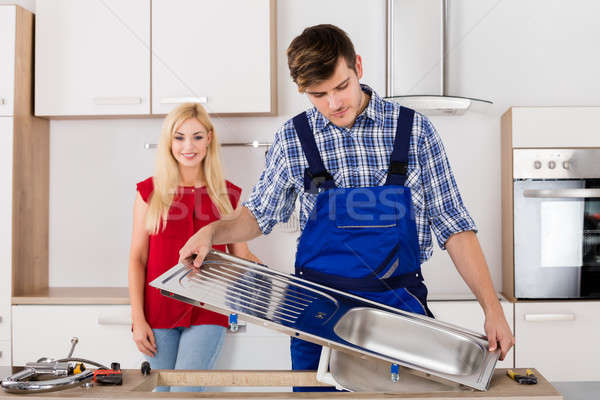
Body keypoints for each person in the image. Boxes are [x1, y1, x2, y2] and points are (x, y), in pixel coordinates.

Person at [178, 24, 514, 391]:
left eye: (341, 87)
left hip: (399, 315)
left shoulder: (414, 130)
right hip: (317, 317)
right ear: (303, 91)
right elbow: (257, 217)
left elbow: (454, 227)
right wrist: (213, 231)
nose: (334, 104)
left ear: (358, 66)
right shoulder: (294, 138)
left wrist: (492, 309)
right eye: (318, 95)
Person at [128, 103, 260, 392]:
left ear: (209, 138)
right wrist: (138, 319)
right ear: (168, 142)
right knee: (160, 393)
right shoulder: (148, 193)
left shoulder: (227, 196)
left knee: (185, 391)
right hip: (158, 310)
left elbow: (242, 255)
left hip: (208, 310)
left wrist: (272, 281)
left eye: (197, 136)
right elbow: (138, 259)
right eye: (179, 137)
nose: (189, 146)